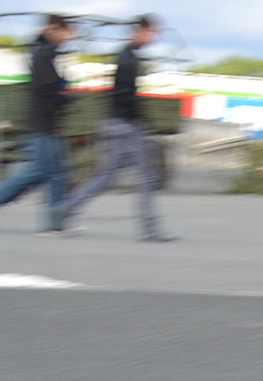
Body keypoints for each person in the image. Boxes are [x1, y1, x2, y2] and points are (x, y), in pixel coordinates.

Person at [56, 14, 174, 242]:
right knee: (146, 177)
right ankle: (150, 230)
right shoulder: (129, 59)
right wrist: (142, 122)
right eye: (151, 33)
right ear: (140, 31)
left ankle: (68, 206)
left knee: (107, 176)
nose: (152, 39)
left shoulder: (124, 55)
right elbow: (127, 97)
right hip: (127, 126)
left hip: (114, 123)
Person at [0, 14, 73, 233]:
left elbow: (48, 86)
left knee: (56, 172)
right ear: (53, 29)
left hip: (48, 122)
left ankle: (56, 222)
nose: (67, 37)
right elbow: (46, 89)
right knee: (39, 170)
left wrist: (62, 94)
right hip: (42, 122)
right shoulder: (44, 53)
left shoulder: (44, 51)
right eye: (65, 33)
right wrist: (65, 98)